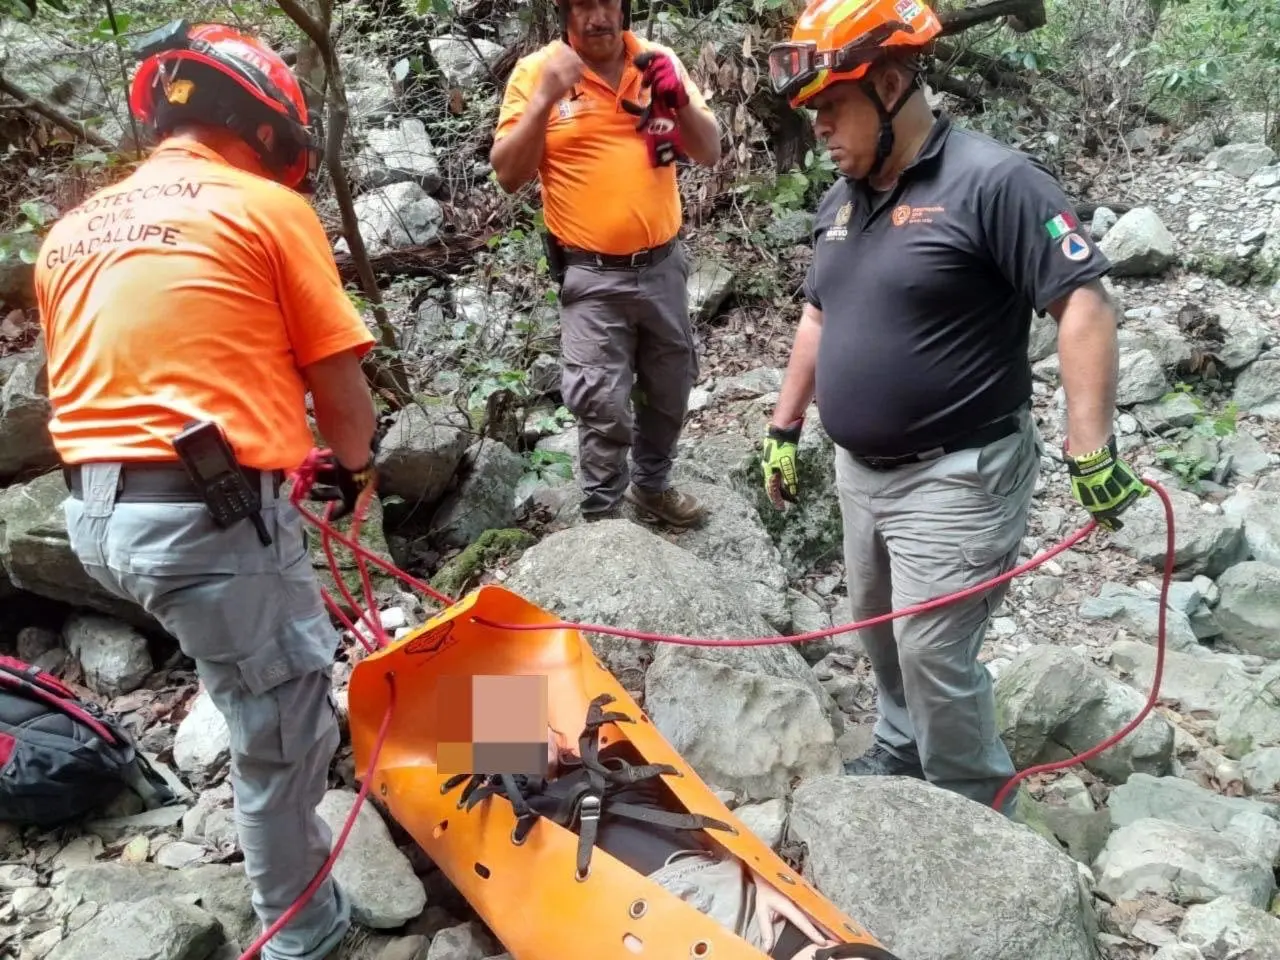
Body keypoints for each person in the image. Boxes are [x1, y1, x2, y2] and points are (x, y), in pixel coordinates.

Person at [34, 21, 379, 960]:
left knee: (251, 677)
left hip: (96, 517)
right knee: (282, 724)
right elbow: (343, 400)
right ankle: (304, 931)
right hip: (204, 517)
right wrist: (351, 469)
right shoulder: (265, 208)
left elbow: (150, 366)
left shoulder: (73, 230)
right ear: (264, 127)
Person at [760, 0, 1147, 815]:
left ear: (892, 84)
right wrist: (784, 428)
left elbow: (1082, 304)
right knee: (877, 627)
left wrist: (1091, 449)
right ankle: (902, 747)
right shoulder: (843, 199)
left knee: (933, 649)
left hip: (960, 473)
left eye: (832, 107)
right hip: (860, 471)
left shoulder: (995, 180)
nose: (821, 129)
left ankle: (976, 808)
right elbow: (817, 317)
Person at [490, 0, 721, 527]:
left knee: (670, 388)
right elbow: (507, 173)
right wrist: (547, 96)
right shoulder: (537, 73)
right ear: (563, 11)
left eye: (608, 2)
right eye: (583, 4)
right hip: (590, 274)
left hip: (663, 266)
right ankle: (603, 516)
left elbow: (709, 151)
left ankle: (653, 488)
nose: (598, 16)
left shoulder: (657, 61)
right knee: (602, 403)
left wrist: (679, 99)